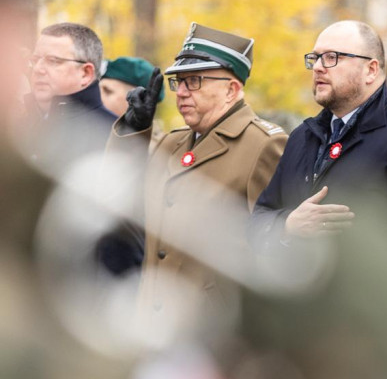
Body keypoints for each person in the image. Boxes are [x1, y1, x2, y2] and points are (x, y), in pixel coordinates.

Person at [107, 22, 287, 337]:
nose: (183, 92)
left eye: (195, 81)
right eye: (179, 82)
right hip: (150, 323)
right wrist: (133, 132)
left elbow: (273, 249)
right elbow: (118, 202)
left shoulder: (264, 144)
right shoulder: (171, 143)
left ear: (232, 89)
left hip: (210, 333)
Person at [247, 20, 387, 252]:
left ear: (370, 70)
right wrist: (289, 225)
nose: (318, 67)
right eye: (315, 58)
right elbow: (259, 219)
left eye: (331, 57)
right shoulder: (303, 136)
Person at [26, 22, 115, 162]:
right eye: (35, 60)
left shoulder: (113, 136)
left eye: (53, 61)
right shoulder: (15, 124)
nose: (38, 69)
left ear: (85, 73)